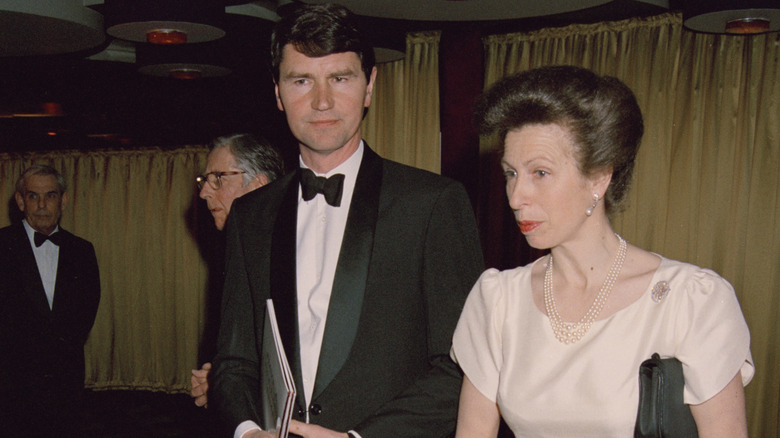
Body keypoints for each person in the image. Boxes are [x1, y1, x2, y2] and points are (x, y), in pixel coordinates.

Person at [210, 3, 484, 438]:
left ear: (369, 86)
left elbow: (463, 366)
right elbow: (233, 362)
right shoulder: (251, 215)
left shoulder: (433, 204)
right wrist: (246, 431)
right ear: (278, 93)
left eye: (340, 78)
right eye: (302, 80)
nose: (322, 101)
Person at [450, 65, 754, 437]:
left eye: (540, 173)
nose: (516, 197)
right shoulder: (497, 300)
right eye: (511, 173)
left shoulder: (691, 301)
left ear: (598, 177)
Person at [0, 164, 101, 436]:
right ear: (20, 201)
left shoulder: (82, 250)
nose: (42, 205)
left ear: (64, 200)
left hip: (64, 377)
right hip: (11, 380)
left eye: (51, 196)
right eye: (33, 196)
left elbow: (86, 311)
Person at [190, 133, 285, 408]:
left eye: (218, 178)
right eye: (204, 181)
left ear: (259, 186)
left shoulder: (288, 252)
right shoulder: (243, 252)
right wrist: (226, 382)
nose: (205, 192)